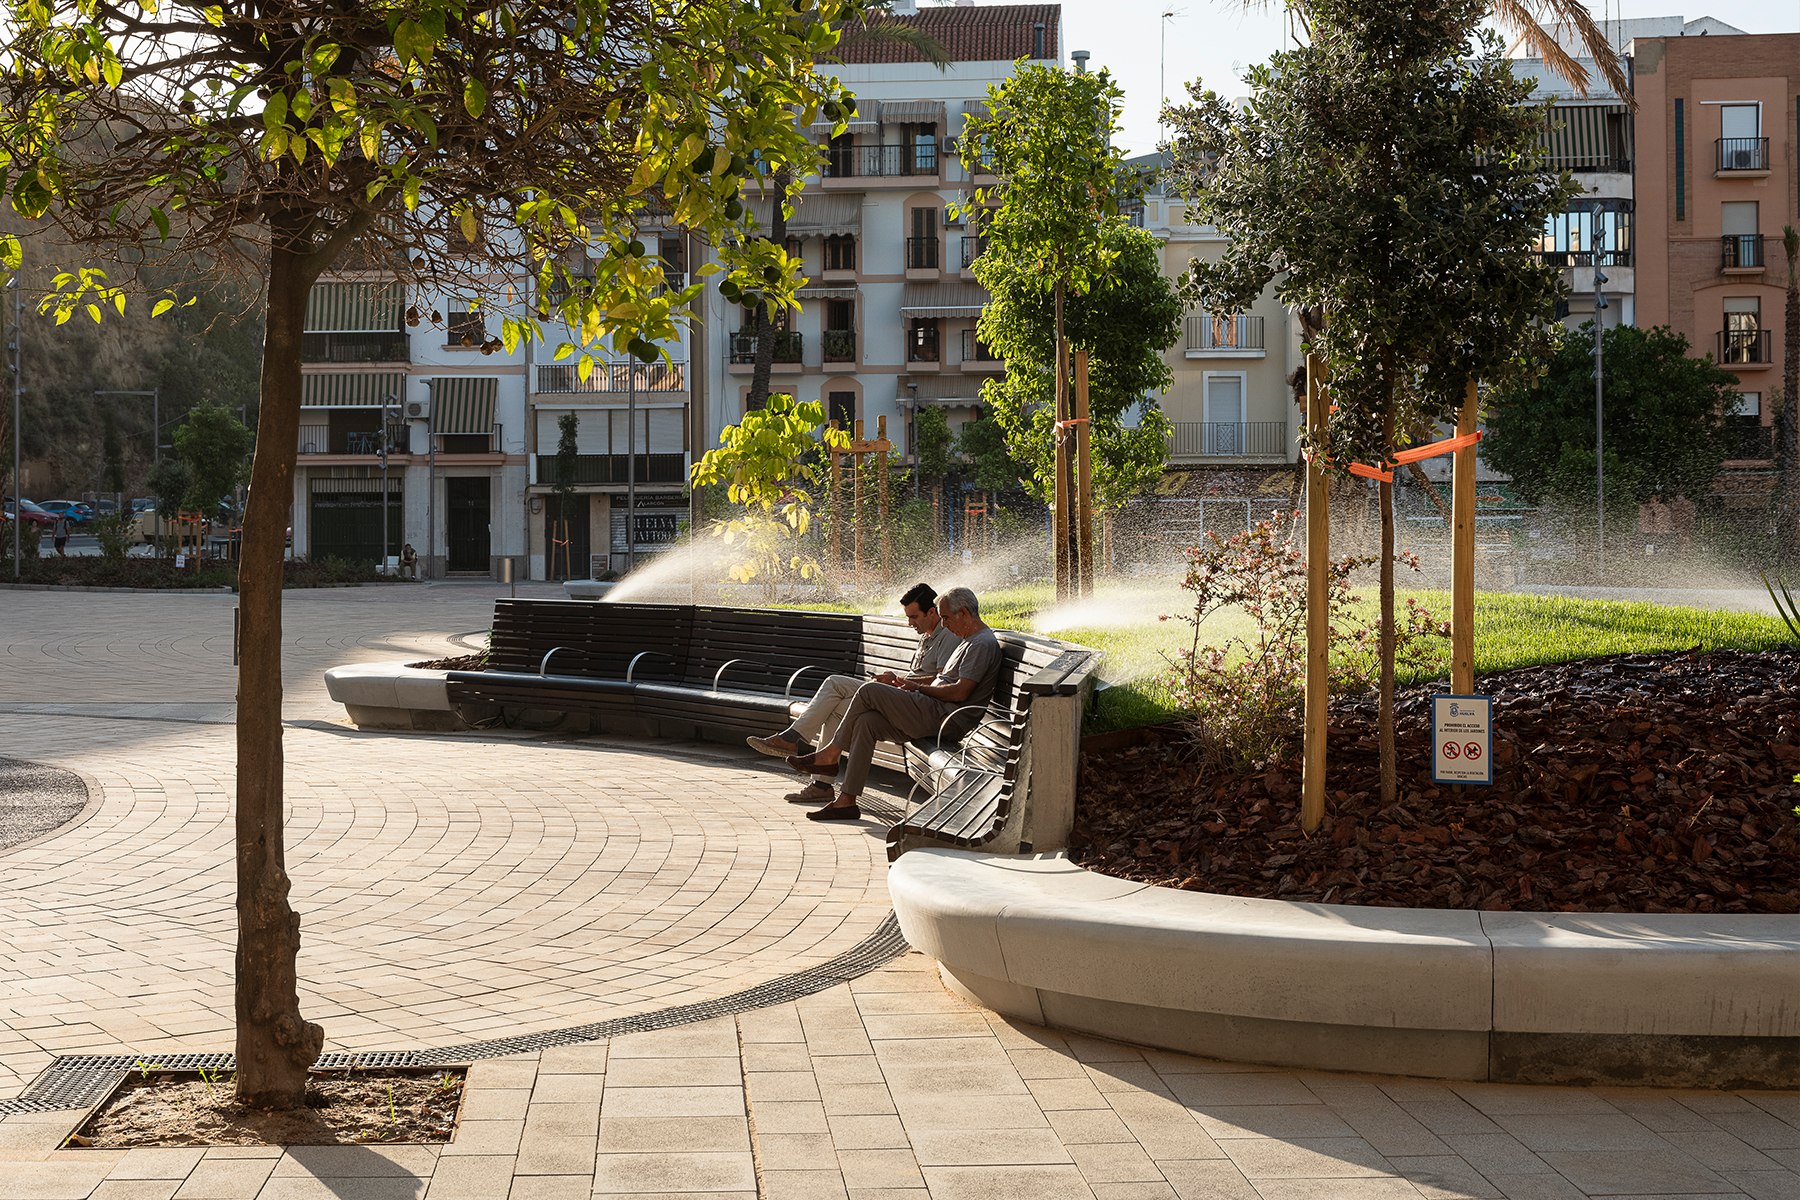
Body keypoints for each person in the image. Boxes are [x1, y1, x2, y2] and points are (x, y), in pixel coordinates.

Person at [785, 586, 1001, 822]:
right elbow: (945, 682)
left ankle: (829, 756)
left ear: (964, 613)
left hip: (944, 718)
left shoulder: (980, 643)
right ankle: (846, 801)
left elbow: (961, 692)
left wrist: (917, 688)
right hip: (933, 710)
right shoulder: (968, 639)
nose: (944, 624)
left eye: (947, 618)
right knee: (867, 722)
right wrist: (907, 684)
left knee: (869, 691)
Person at [746, 583, 961, 805]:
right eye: (908, 617)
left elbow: (940, 682)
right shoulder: (928, 634)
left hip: (914, 705)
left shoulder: (947, 635)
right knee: (836, 710)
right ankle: (821, 785)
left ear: (932, 612)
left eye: (914, 617)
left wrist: (897, 681)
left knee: (834, 683)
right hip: (903, 696)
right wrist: (895, 680)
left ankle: (792, 738)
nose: (909, 623)